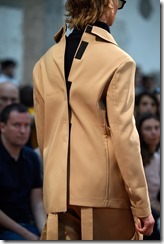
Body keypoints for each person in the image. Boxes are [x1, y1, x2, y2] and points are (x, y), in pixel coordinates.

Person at [33, 0, 154, 240]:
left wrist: (54, 186)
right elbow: (125, 137)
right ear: (108, 3)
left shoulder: (44, 63)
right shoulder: (119, 61)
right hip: (104, 193)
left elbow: (44, 136)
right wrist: (142, 205)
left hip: (58, 193)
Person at [0, 103, 46, 240]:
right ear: (2, 127)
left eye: (26, 126)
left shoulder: (32, 157)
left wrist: (45, 232)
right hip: (5, 230)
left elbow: (37, 203)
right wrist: (27, 235)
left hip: (28, 224)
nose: (23, 131)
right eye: (17, 125)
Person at [136, 113, 160, 240]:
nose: (154, 132)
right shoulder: (136, 158)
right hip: (141, 215)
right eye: (148, 128)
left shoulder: (157, 158)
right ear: (140, 131)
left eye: (157, 127)